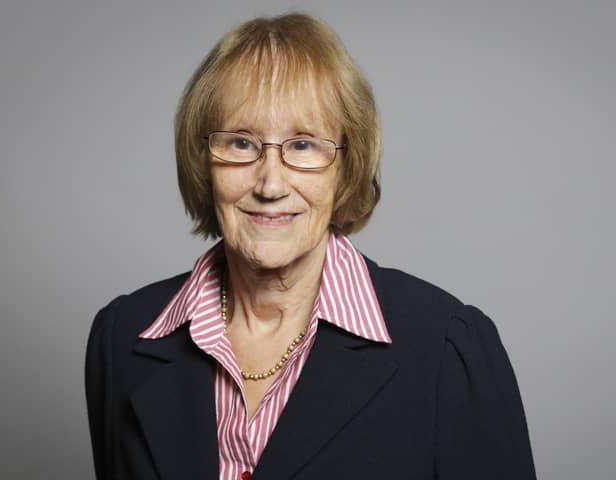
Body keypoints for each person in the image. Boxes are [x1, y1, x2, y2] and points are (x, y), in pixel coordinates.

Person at [85, 12, 537, 480]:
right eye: (241, 142)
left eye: (303, 145)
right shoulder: (122, 340)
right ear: (203, 160)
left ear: (346, 165)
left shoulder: (446, 348)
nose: (270, 183)